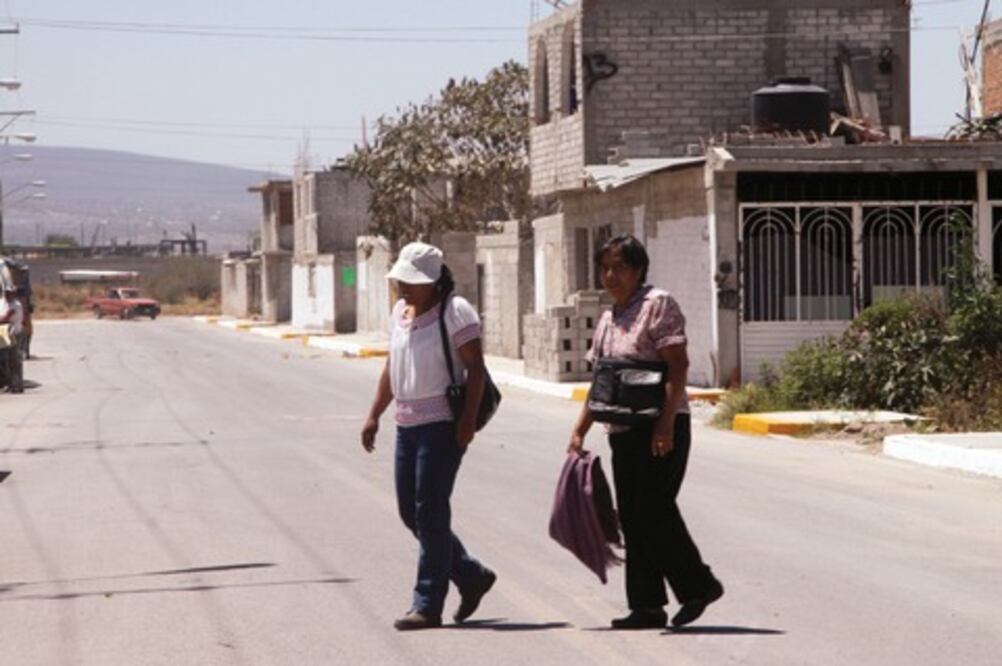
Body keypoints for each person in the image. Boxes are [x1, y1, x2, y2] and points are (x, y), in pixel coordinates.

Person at [568, 234, 723, 629]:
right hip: (623, 430)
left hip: (661, 426)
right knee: (633, 517)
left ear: (639, 269)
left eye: (619, 266)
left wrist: (666, 424)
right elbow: (601, 380)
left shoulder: (658, 305)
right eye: (605, 267)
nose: (610, 275)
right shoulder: (608, 317)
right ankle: (646, 605)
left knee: (654, 509)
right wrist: (580, 429)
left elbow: (678, 367)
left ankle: (698, 586)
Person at [361, 241, 497, 631]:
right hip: (407, 425)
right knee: (411, 511)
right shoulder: (400, 313)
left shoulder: (455, 311)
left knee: (431, 510)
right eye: (401, 279)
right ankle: (471, 575)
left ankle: (427, 603)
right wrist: (374, 414)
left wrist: (467, 422)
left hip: (442, 425)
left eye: (413, 281)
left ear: (435, 281)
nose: (405, 287)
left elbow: (476, 370)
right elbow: (392, 366)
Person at [0, 286, 24, 393]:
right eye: (7, 292)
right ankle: (10, 384)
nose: (8, 294)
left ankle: (17, 385)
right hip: (4, 334)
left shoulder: (16, 305)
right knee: (6, 361)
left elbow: (5, 318)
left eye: (11, 293)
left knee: (14, 360)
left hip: (14, 334)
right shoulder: (2, 302)